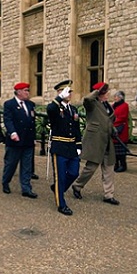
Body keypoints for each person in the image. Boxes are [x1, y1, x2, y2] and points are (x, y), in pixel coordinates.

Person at [72, 82, 120, 205]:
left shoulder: (107, 105)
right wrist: (98, 91)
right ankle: (77, 186)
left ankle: (108, 195)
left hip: (107, 140)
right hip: (96, 140)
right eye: (106, 91)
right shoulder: (92, 104)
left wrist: (113, 130)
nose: (108, 93)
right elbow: (87, 98)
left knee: (109, 168)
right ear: (100, 93)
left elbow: (108, 121)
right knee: (91, 168)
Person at [47, 80, 82, 215]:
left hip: (72, 147)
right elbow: (50, 109)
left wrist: (79, 145)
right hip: (60, 146)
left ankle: (57, 188)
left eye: (70, 91)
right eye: (66, 91)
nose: (69, 94)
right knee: (60, 177)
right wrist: (59, 98)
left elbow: (76, 129)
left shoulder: (73, 109)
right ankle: (61, 204)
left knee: (74, 173)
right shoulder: (56, 108)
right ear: (59, 93)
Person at [2, 82, 37, 198]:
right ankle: (6, 181)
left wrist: (34, 138)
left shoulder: (31, 104)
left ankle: (26, 188)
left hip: (27, 140)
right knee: (11, 164)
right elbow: (8, 120)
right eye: (25, 90)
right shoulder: (9, 104)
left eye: (28, 90)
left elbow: (32, 122)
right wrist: (12, 132)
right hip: (15, 140)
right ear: (18, 91)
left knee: (27, 166)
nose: (27, 93)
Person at [112, 91, 130, 172]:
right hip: (113, 130)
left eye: (116, 96)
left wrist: (112, 122)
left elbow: (122, 117)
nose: (115, 98)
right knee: (114, 151)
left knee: (121, 151)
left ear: (120, 97)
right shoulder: (113, 106)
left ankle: (123, 165)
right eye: (115, 96)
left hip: (121, 130)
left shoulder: (125, 105)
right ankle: (116, 164)